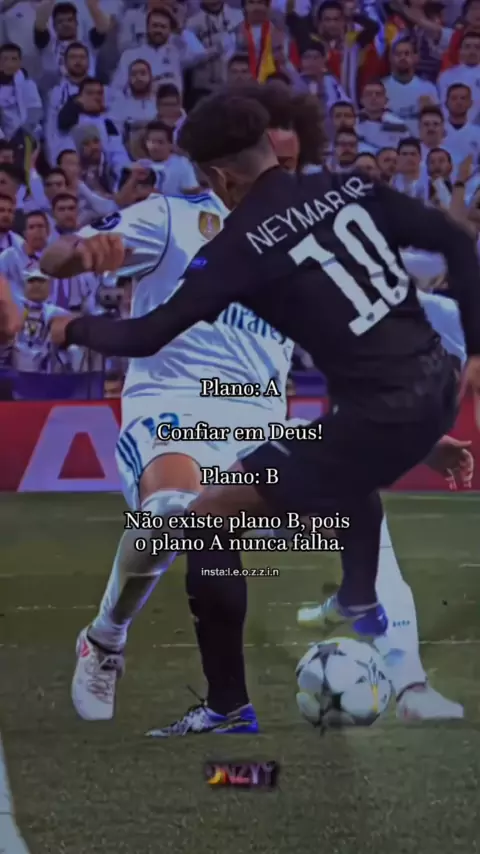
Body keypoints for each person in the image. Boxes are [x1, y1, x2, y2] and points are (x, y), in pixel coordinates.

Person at [40, 86, 480, 735]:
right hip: (176, 405)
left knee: (352, 509)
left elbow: (355, 344)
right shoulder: (169, 217)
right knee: (178, 510)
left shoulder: (298, 231)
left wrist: (417, 438)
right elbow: (57, 259)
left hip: (259, 417)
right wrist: (78, 256)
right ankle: (106, 639)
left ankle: (404, 681)